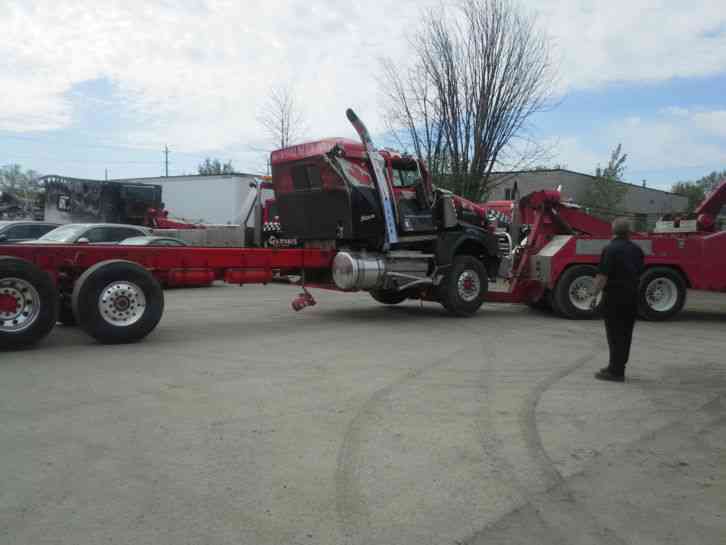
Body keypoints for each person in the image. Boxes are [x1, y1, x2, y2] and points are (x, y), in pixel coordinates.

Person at [589, 217, 645, 382]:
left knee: (614, 334)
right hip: (632, 297)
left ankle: (616, 371)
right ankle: (617, 366)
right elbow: (640, 271)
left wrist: (594, 295)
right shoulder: (637, 250)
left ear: (613, 231)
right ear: (629, 232)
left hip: (614, 298)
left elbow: (602, 276)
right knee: (626, 334)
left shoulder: (610, 249)